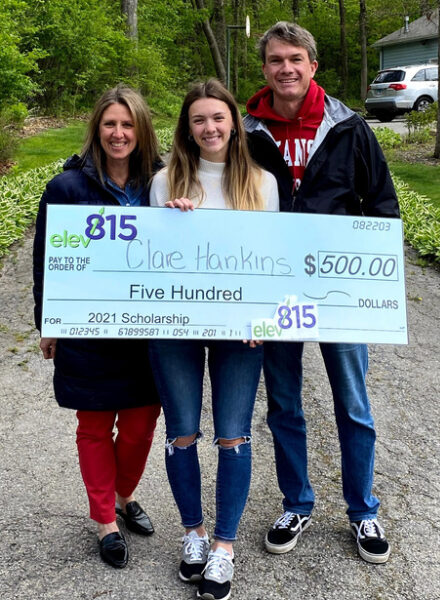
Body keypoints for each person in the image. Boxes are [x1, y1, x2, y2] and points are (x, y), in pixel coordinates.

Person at [244, 22, 400, 564]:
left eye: (295, 59)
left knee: (353, 404)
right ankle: (297, 502)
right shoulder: (246, 130)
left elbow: (382, 207)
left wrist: (376, 283)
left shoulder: (349, 127)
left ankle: (363, 511)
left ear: (313, 66)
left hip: (339, 291)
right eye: (275, 60)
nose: (285, 68)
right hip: (272, 292)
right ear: (263, 69)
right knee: (284, 404)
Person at [149, 78, 278, 600]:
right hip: (176, 327)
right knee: (181, 432)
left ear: (235, 123)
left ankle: (224, 547)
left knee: (233, 433)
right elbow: (149, 263)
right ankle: (194, 534)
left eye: (218, 118)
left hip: (241, 333)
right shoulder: (164, 182)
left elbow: (274, 264)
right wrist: (170, 223)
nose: (210, 128)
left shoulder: (262, 183)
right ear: (187, 127)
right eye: (199, 119)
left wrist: (263, 321)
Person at [33, 85, 163, 569]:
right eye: (110, 124)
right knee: (93, 426)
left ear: (141, 130)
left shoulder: (162, 184)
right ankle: (105, 519)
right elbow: (47, 261)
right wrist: (49, 322)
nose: (118, 133)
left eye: (127, 124)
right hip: (87, 329)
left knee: (139, 426)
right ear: (96, 129)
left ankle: (125, 495)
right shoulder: (66, 189)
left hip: (148, 330)